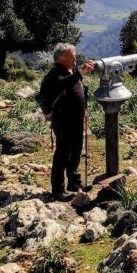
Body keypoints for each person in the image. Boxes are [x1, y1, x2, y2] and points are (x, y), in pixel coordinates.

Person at [39, 43, 95, 201]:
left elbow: (75, 88)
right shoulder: (54, 74)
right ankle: (58, 189)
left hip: (76, 118)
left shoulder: (71, 70)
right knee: (63, 152)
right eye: (72, 57)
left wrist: (83, 107)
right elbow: (62, 85)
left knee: (76, 149)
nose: (75, 59)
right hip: (63, 120)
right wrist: (80, 74)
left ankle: (74, 182)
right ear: (61, 58)